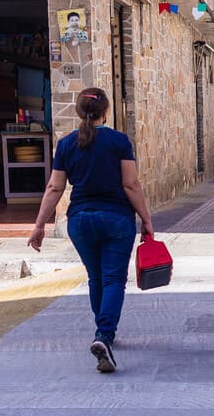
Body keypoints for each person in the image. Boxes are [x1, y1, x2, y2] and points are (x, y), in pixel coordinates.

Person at [28, 87, 153, 374]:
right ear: (106, 112)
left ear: (78, 112)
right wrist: (146, 219)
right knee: (113, 280)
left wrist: (39, 225)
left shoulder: (67, 144)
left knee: (96, 278)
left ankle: (103, 331)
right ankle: (104, 335)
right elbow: (131, 184)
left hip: (81, 221)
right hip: (116, 220)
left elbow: (55, 187)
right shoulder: (119, 141)